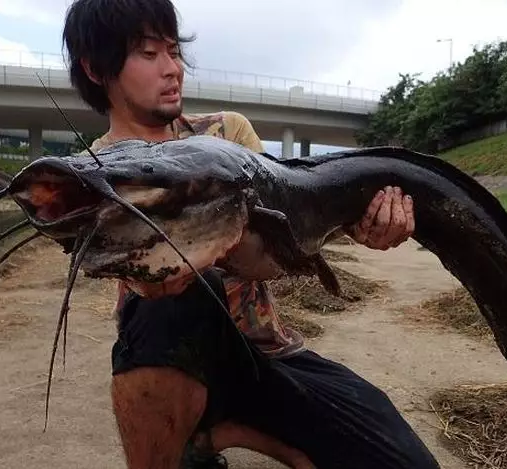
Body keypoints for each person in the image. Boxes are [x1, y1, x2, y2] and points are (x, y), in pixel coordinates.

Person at [62, 1, 440, 468]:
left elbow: (279, 248)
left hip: (267, 352)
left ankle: (221, 430)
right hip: (176, 356)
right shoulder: (94, 183)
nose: (172, 69)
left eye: (174, 52)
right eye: (148, 53)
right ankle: (184, 441)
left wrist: (355, 226)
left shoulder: (227, 134)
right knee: (171, 297)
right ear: (96, 68)